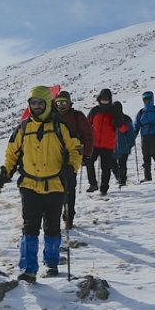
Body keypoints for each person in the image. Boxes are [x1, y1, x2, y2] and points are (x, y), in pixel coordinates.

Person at [0, 86, 82, 282]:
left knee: (52, 226)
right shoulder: (23, 128)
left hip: (55, 185)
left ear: (47, 103)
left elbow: (75, 149)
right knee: (30, 227)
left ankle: (51, 264)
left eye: (39, 103)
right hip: (29, 185)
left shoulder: (61, 127)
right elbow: (12, 153)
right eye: (32, 103)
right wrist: (5, 172)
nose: (36, 106)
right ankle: (28, 269)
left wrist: (71, 167)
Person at [52, 92, 93, 230]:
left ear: (70, 103)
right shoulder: (51, 117)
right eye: (58, 103)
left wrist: (86, 154)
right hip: (53, 158)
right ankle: (55, 217)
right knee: (55, 189)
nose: (61, 105)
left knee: (69, 188)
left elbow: (88, 134)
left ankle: (69, 217)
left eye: (64, 102)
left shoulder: (77, 116)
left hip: (72, 158)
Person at [85, 89, 124, 196]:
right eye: (102, 99)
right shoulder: (95, 111)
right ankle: (93, 184)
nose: (104, 101)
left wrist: (119, 122)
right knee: (89, 162)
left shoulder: (114, 111)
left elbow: (123, 128)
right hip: (94, 144)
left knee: (105, 167)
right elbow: (87, 124)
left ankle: (104, 188)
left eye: (106, 100)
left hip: (108, 145)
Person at [133, 91, 155, 180]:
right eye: (145, 99)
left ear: (152, 99)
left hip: (154, 135)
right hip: (144, 136)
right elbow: (136, 124)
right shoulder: (141, 112)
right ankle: (147, 176)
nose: (147, 101)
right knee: (146, 156)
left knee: (154, 153)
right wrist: (134, 134)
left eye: (148, 99)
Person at [113, 107, 134, 187]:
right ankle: (121, 179)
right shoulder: (126, 119)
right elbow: (131, 132)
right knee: (122, 164)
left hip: (116, 146)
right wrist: (131, 143)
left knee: (115, 163)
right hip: (123, 146)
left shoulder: (111, 119)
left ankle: (121, 179)